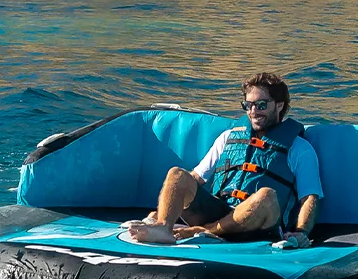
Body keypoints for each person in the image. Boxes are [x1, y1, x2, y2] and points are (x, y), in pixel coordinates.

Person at [126, 72, 322, 248]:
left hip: (259, 223)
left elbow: (309, 199)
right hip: (219, 210)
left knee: (266, 196)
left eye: (261, 105)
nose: (253, 111)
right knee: (177, 174)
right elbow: (195, 178)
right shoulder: (228, 137)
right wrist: (165, 212)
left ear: (279, 105)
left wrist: (301, 232)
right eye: (248, 105)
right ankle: (163, 228)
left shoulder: (299, 149)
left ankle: (205, 231)